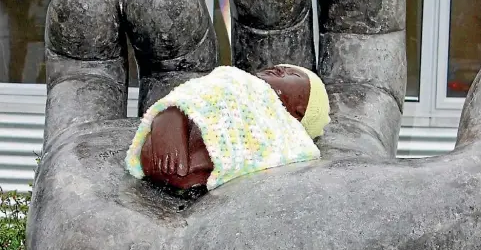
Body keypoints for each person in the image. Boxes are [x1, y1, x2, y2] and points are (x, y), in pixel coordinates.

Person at [125, 64, 331, 191]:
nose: (279, 69)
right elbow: (195, 92)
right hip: (176, 143)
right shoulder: (237, 79)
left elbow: (285, 152)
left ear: (299, 111)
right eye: (281, 66)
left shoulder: (284, 133)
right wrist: (172, 116)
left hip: (197, 168)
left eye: (291, 74)